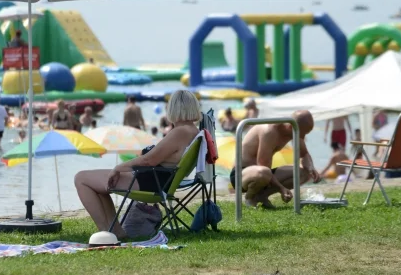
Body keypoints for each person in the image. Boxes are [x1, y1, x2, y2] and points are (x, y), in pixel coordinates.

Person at [74, 90, 201, 239]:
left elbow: (148, 160)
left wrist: (118, 168)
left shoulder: (180, 132)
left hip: (151, 182)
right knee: (98, 184)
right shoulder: (192, 131)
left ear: (174, 108)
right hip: (158, 179)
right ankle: (115, 231)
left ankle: (105, 233)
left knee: (81, 178)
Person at [230, 110, 320, 209]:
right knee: (263, 172)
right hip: (241, 174)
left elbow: (304, 154)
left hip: (264, 172)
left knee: (304, 174)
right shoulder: (270, 131)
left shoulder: (294, 129)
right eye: (301, 134)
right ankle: (250, 197)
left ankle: (261, 197)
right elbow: (262, 164)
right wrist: (281, 188)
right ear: (291, 127)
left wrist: (311, 168)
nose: (302, 137)